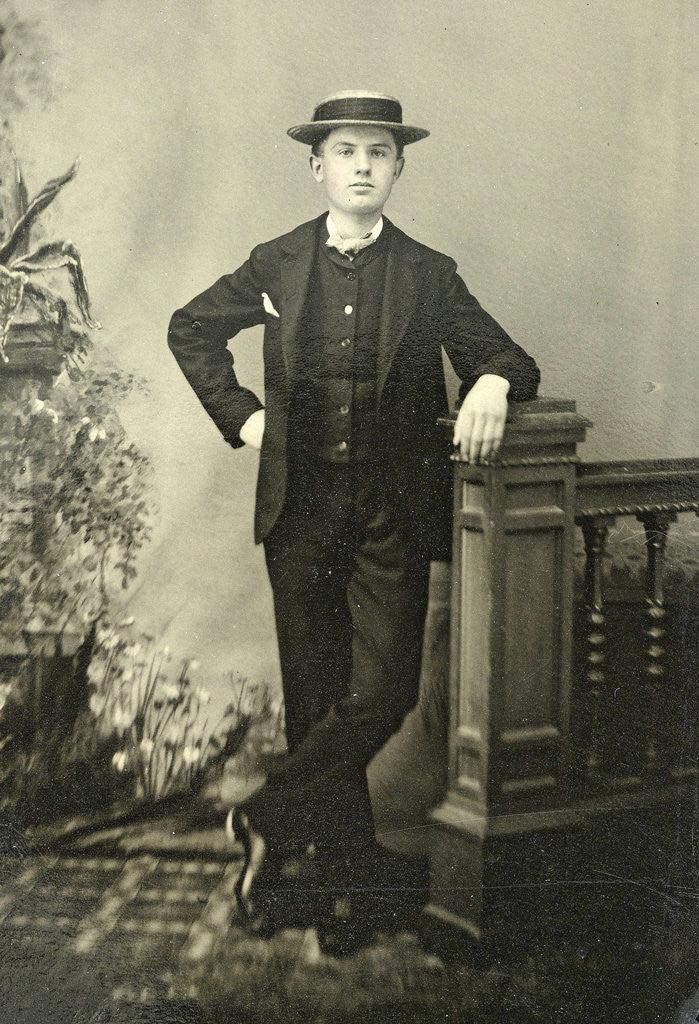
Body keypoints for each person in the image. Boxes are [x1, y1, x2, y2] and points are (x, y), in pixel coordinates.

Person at [167, 90, 540, 946]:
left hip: (390, 516)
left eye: (378, 152)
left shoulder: (429, 274)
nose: (362, 166)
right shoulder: (275, 260)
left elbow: (510, 357)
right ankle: (339, 896)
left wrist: (488, 382)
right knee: (315, 702)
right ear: (317, 166)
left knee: (381, 695)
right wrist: (247, 419)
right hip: (299, 513)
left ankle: (264, 814)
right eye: (346, 151)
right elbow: (190, 329)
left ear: (398, 168)